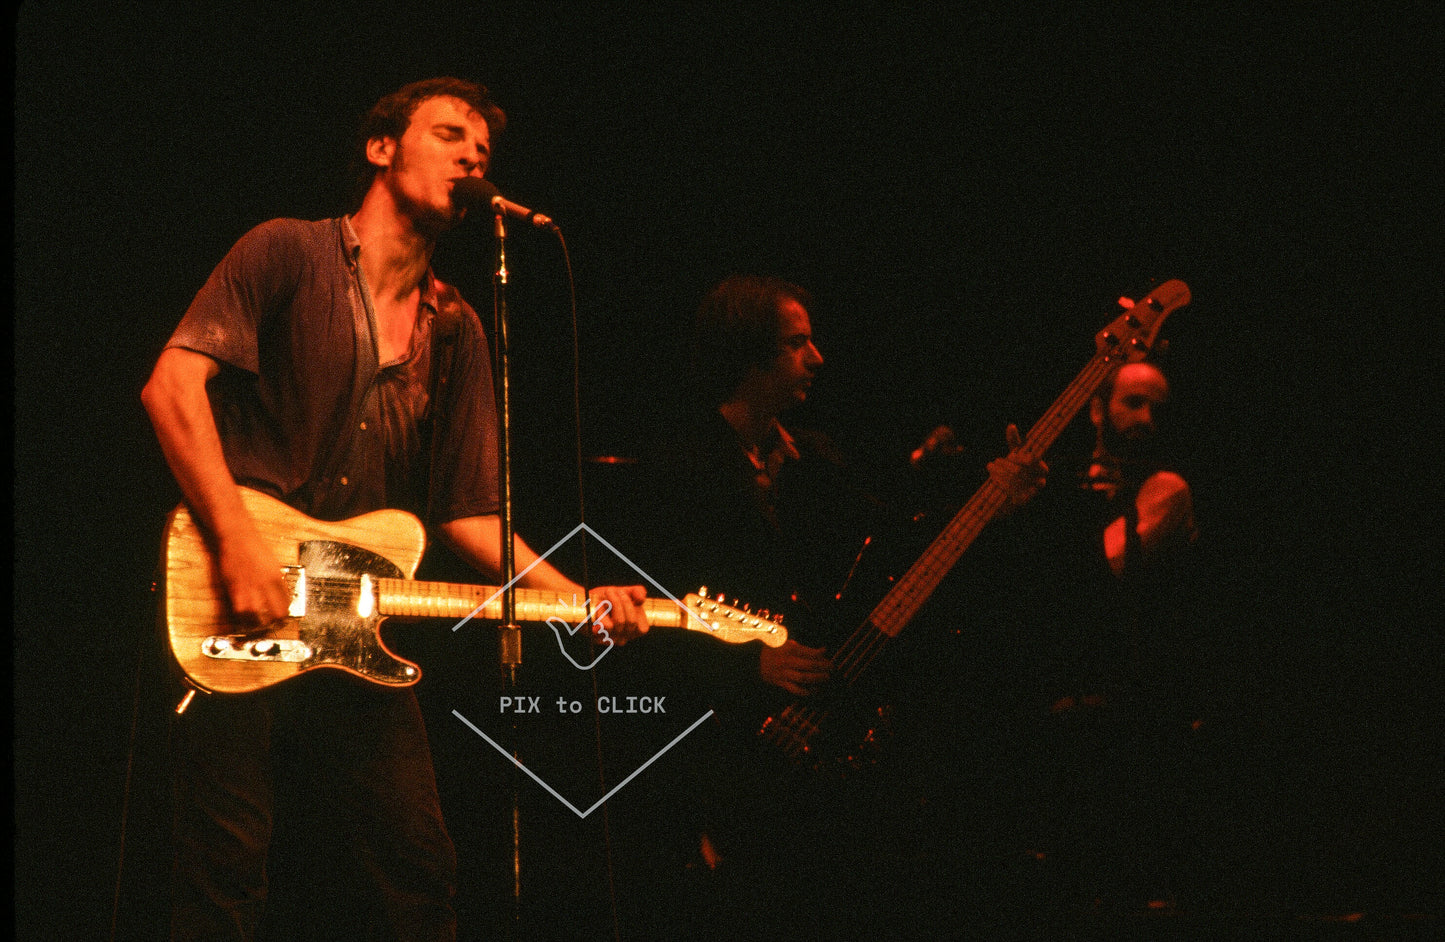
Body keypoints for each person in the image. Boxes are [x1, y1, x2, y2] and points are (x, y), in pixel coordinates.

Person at [141, 77, 647, 941]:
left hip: (354, 618)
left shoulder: (456, 329)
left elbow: (468, 511)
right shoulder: (286, 253)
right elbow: (171, 384)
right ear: (381, 148)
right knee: (224, 869)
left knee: (416, 869)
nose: (471, 157)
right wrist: (235, 542)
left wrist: (572, 597)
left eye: (483, 151)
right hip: (233, 592)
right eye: (450, 134)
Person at [611, 275, 1046, 939]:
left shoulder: (816, 461)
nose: (817, 358)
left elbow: (887, 566)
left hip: (818, 763)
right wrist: (750, 667)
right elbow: (644, 615)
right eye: (796, 343)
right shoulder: (678, 469)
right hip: (715, 756)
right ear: (749, 356)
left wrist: (994, 505)